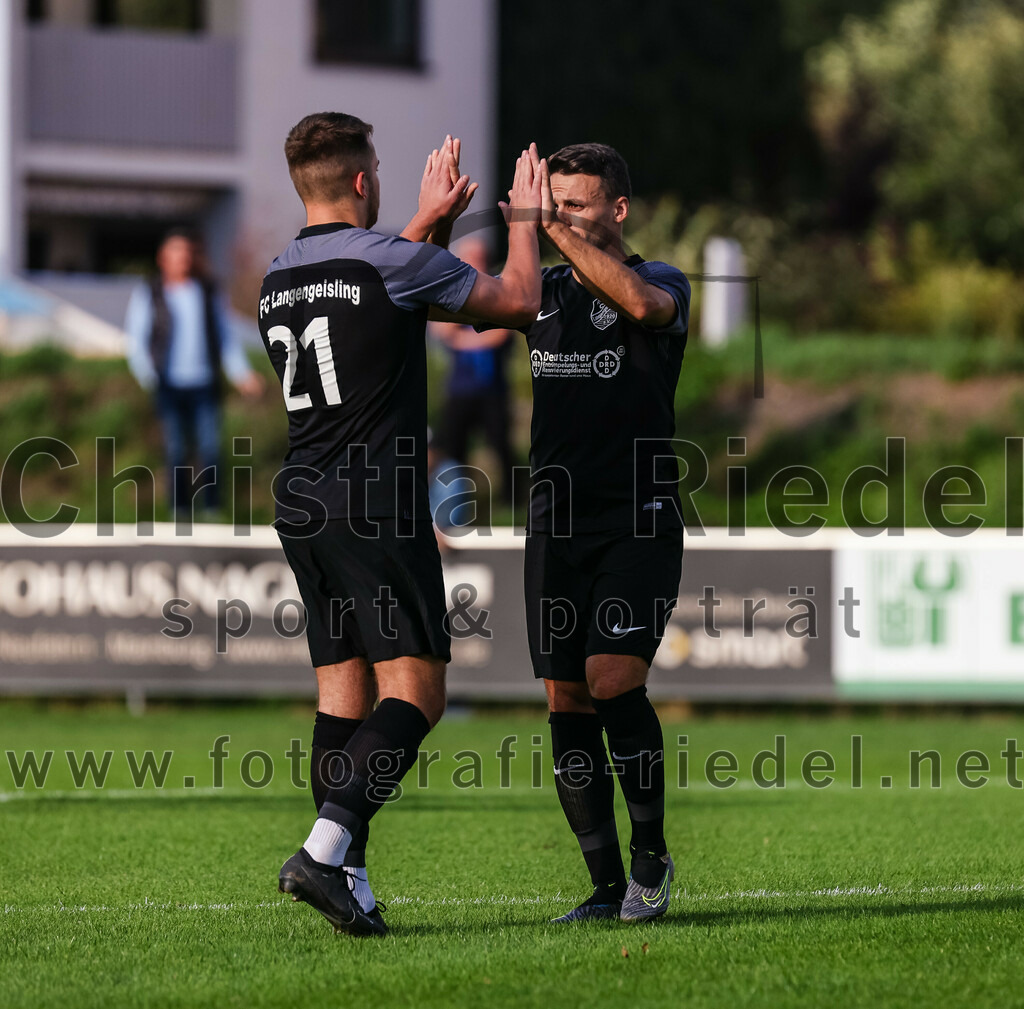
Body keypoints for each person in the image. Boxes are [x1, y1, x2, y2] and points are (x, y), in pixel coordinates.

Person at [259, 112, 541, 937]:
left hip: (302, 499)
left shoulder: (280, 274)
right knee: (416, 690)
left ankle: (350, 878)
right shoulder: (392, 261)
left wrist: (425, 227)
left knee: (342, 695)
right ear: (360, 181)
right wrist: (521, 220)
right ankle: (322, 850)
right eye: (375, 169)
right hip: (373, 500)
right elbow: (517, 302)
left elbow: (367, 292)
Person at [473, 144, 690, 923]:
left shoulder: (663, 280)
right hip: (553, 526)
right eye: (551, 199)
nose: (562, 213)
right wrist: (490, 233)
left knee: (609, 679)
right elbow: (460, 307)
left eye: (576, 203)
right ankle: (602, 886)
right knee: (565, 694)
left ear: (618, 209)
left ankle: (653, 858)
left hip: (637, 522)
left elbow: (638, 305)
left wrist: (543, 226)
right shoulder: (544, 291)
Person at [125, 228, 263, 518]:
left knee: (211, 447)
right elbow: (136, 341)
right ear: (163, 258)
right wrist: (151, 378)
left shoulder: (208, 291)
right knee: (175, 450)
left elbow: (225, 338)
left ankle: (211, 509)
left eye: (186, 253)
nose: (182, 259)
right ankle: (180, 511)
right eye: (175, 253)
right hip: (168, 384)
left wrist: (242, 374)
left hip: (204, 384)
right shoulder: (149, 292)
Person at [430, 237, 516, 507]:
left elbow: (502, 332)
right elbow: (440, 330)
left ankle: (512, 502)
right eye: (470, 258)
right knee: (454, 450)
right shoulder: (453, 293)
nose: (475, 263)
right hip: (460, 389)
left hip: (493, 389)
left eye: (479, 257)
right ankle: (459, 502)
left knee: (502, 447)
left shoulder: (500, 289)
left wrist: (463, 339)